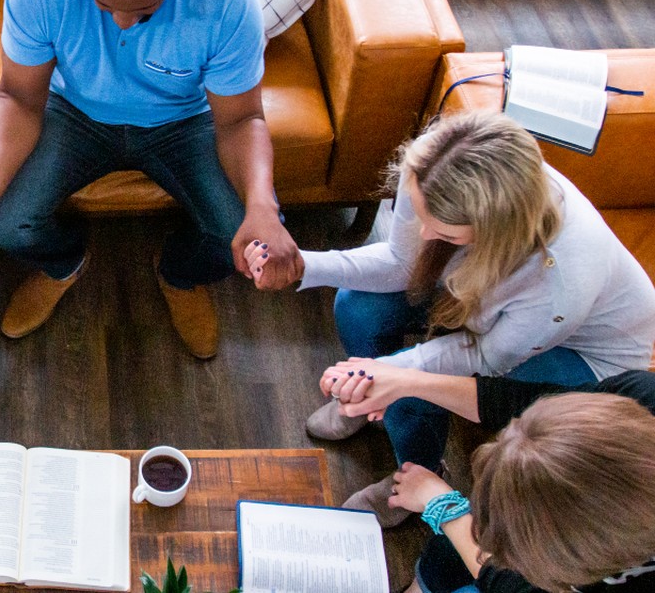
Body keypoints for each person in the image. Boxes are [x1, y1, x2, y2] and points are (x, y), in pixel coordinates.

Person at [254, 111, 655, 526]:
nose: (425, 236)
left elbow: (486, 358)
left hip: (580, 354)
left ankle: (420, 469)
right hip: (485, 300)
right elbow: (399, 262)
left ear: (493, 230)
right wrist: (305, 266)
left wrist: (390, 374)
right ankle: (369, 403)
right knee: (357, 307)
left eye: (444, 234)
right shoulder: (433, 171)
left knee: (415, 392)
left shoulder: (561, 281)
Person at [0, 0, 299, 359]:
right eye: (103, 5)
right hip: (73, 112)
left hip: (183, 121)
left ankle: (180, 275)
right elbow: (18, 97)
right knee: (7, 221)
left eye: (145, 9)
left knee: (237, 227)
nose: (123, 22)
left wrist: (263, 208)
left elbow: (241, 119)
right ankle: (63, 265)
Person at [323, 363, 655, 593]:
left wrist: (445, 508)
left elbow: (512, 585)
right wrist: (410, 381)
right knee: (451, 547)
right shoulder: (641, 394)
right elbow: (524, 402)